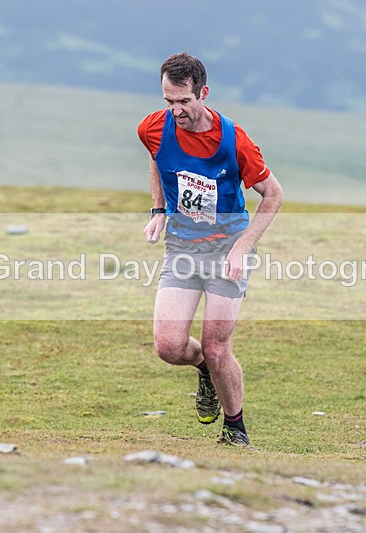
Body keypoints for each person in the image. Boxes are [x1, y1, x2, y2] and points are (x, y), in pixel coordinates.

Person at [137, 52, 282, 446]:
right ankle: (203, 368)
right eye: (169, 101)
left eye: (184, 101)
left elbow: (273, 195)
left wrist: (243, 246)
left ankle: (235, 429)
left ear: (203, 93)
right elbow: (157, 157)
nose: (176, 111)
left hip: (227, 248)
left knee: (218, 348)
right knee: (169, 347)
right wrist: (159, 210)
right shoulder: (153, 127)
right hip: (182, 247)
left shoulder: (234, 140)